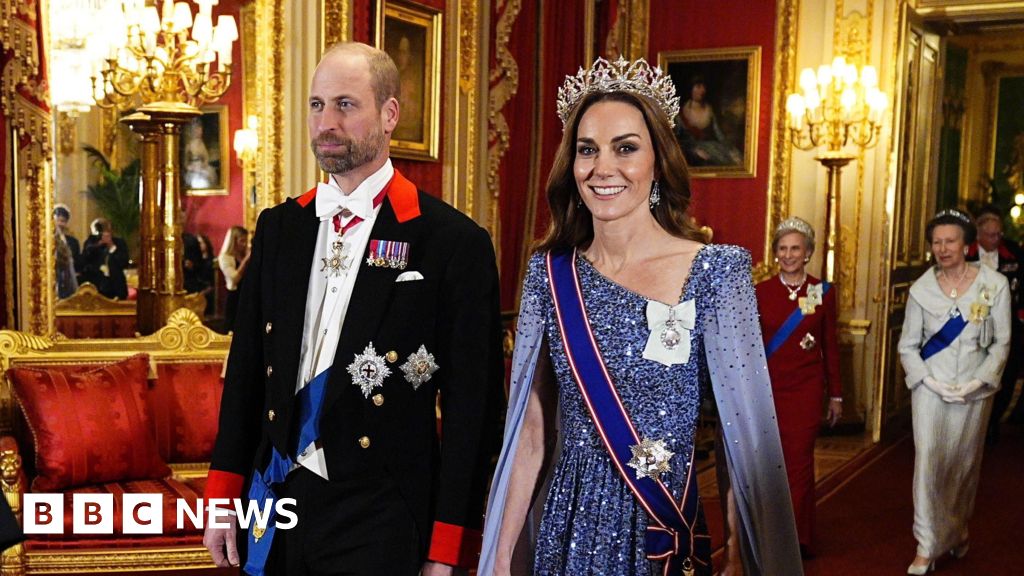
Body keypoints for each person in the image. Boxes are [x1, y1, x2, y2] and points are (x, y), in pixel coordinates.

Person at [478, 56, 801, 576]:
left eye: (625, 148)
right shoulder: (549, 274)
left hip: (662, 523)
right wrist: (498, 558)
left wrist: (740, 555)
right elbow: (531, 432)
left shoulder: (717, 271)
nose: (603, 168)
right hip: (569, 530)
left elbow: (744, 437)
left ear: (658, 160)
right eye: (587, 150)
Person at [203, 42, 503, 576]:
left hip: (380, 509)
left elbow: (472, 414)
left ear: (389, 115)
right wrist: (224, 494)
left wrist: (447, 547)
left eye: (345, 104)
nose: (327, 122)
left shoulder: (451, 241)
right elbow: (247, 369)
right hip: (276, 498)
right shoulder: (280, 228)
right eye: (317, 105)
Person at [898, 209, 1011, 575]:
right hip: (930, 389)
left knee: (962, 467)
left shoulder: (993, 285)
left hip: (974, 392)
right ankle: (927, 544)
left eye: (950, 241)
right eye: (936, 242)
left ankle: (958, 528)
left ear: (966, 244)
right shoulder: (921, 289)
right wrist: (928, 381)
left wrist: (978, 382)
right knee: (929, 463)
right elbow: (907, 346)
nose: (943, 248)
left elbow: (1001, 343)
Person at [754, 217, 842, 558]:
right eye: (782, 248)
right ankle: (769, 534)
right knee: (768, 462)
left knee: (800, 462)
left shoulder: (822, 292)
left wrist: (835, 394)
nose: (789, 255)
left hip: (806, 389)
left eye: (796, 248)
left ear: (808, 253)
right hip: (769, 388)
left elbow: (830, 345)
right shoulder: (760, 291)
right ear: (775, 253)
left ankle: (799, 536)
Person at [967, 206, 1024, 443]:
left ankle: (992, 423)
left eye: (999, 234)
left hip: (1007, 323)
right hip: (972, 323)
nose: (997, 239)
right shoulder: (965, 253)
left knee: (1006, 374)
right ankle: (973, 424)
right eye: (991, 235)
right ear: (978, 235)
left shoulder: (1013, 252)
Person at [675, 75, 741, 167]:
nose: (702, 90)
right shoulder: (682, 113)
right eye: (698, 87)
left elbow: (718, 134)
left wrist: (729, 149)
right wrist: (693, 150)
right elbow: (677, 139)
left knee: (732, 158)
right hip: (691, 150)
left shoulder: (709, 110)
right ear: (691, 89)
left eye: (703, 87)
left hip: (711, 147)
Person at [80, 217, 130, 300]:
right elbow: (85, 259)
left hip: (116, 287)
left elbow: (124, 262)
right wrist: (99, 244)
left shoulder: (119, 243)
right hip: (97, 286)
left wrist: (111, 246)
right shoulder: (91, 242)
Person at [217, 226, 250, 331]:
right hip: (235, 297)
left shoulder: (243, 254)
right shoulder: (225, 257)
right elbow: (234, 278)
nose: (244, 244)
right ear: (234, 241)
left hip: (247, 295)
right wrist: (246, 260)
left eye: (246, 240)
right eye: (242, 241)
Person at [53, 204, 80, 299]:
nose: (60, 224)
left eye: (63, 221)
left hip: (68, 280)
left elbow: (77, 262)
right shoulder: (46, 241)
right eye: (58, 220)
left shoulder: (73, 242)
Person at [183, 119, 218, 189]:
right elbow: (185, 162)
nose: (199, 132)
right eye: (197, 130)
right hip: (192, 170)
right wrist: (190, 167)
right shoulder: (189, 145)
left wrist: (203, 165)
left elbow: (206, 157)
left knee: (210, 175)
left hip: (202, 167)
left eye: (200, 130)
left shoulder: (201, 144)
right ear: (193, 131)